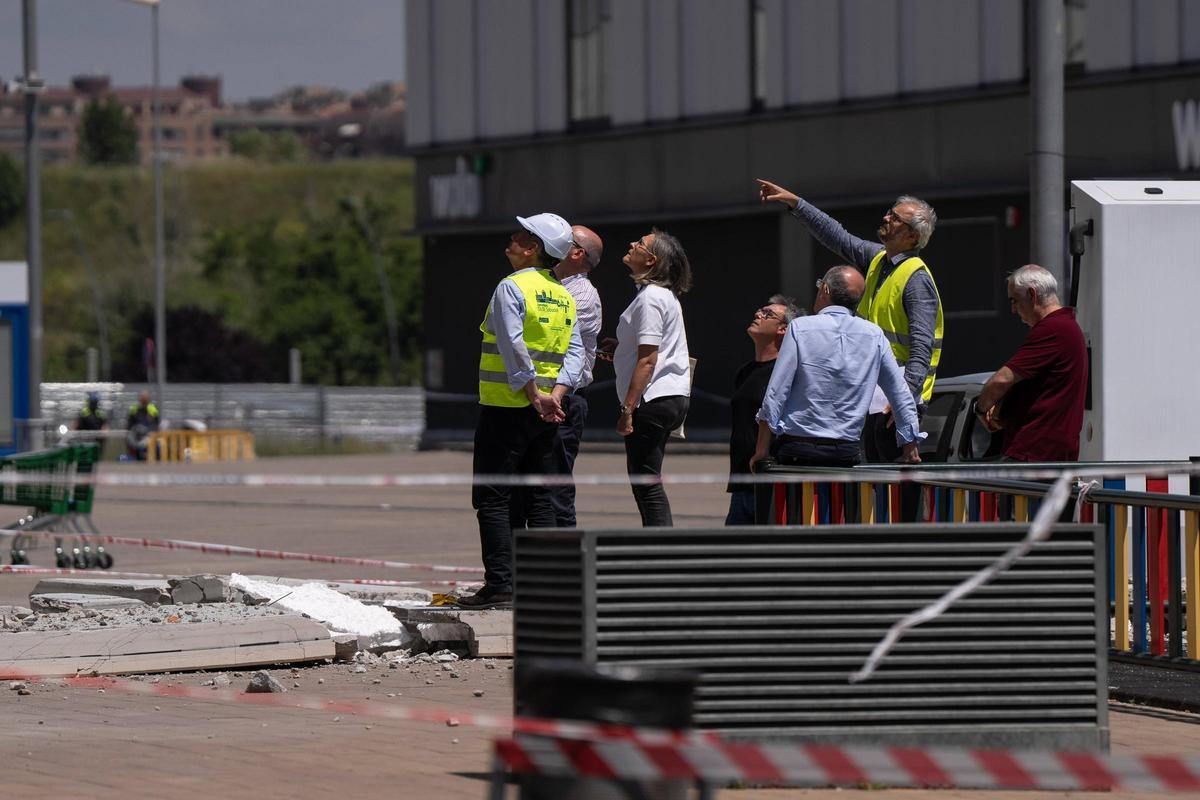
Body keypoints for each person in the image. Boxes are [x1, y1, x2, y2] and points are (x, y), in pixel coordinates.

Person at [459, 213, 584, 609]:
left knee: (492, 497)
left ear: (533, 247)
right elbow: (576, 353)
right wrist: (555, 395)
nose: (511, 239)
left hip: (506, 406)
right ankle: (540, 585)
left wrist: (533, 393)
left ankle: (501, 585)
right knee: (539, 498)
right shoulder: (562, 294)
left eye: (520, 235)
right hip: (545, 413)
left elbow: (513, 345)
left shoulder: (511, 286)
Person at [751, 266, 923, 471]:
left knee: (798, 493)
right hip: (846, 452)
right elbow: (900, 394)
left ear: (825, 289)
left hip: (798, 449)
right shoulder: (875, 335)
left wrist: (761, 450)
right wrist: (910, 448)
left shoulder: (800, 328)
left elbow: (777, 391)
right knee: (840, 493)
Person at [511, 225, 603, 528]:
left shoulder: (581, 295)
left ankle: (565, 555)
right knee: (523, 490)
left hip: (562, 400)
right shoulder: (544, 284)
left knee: (555, 491)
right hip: (533, 397)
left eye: (566, 238)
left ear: (577, 253)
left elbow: (555, 340)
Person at [603, 228, 692, 527]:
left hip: (654, 398)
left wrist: (627, 410)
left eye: (640, 243)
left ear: (652, 260)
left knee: (646, 484)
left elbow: (648, 359)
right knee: (648, 481)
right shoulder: (661, 295)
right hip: (671, 395)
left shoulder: (651, 297)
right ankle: (657, 546)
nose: (632, 244)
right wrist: (621, 348)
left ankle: (659, 549)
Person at [974, 264, 1087, 462]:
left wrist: (981, 410)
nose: (1013, 309)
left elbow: (1001, 380)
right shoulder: (1066, 327)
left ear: (1032, 294)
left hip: (1033, 453)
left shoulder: (1053, 329)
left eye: (1014, 300)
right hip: (1047, 455)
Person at [725, 295, 801, 525]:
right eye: (760, 310)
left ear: (783, 329)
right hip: (741, 483)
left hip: (771, 481)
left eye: (768, 314)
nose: (758, 314)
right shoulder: (745, 371)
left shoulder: (786, 372)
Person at [126, 390, 159, 460]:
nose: (144, 399)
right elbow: (129, 424)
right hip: (136, 435)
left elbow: (155, 425)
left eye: (146, 397)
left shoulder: (153, 409)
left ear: (149, 398)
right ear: (139, 398)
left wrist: (148, 432)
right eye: (142, 397)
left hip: (148, 436)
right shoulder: (134, 409)